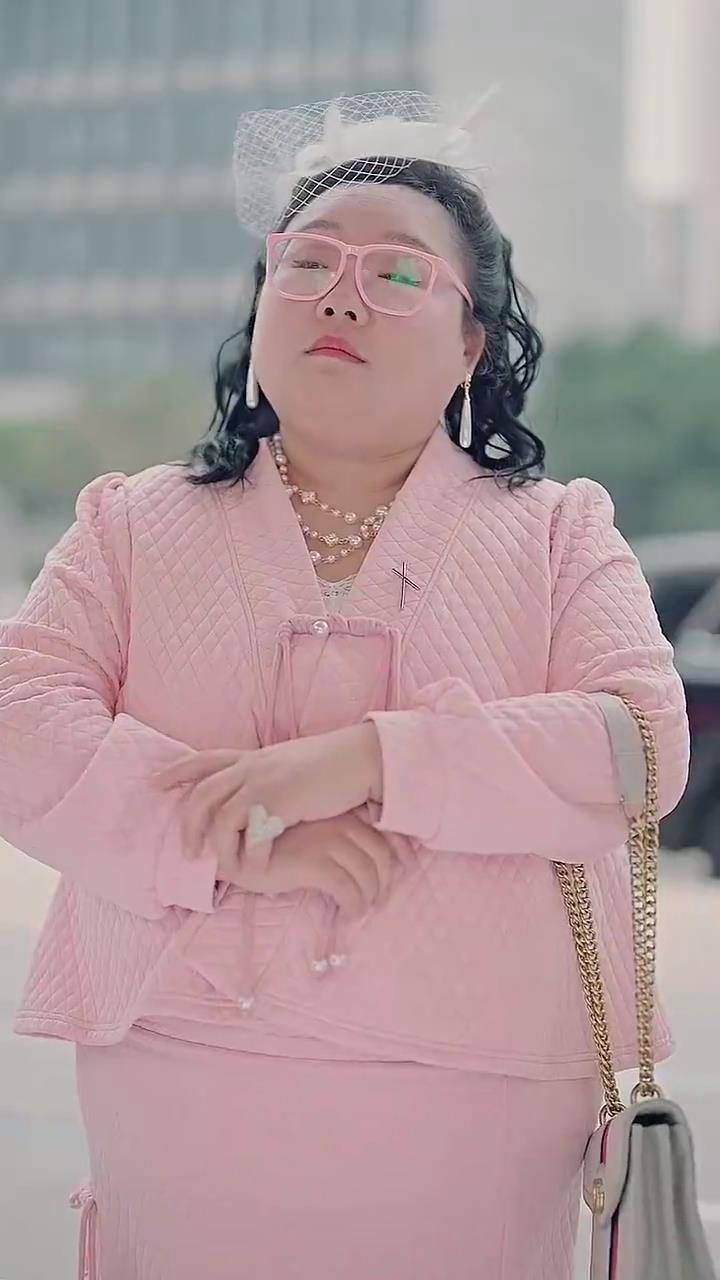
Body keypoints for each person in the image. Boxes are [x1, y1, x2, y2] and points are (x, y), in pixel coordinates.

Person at [0, 92, 690, 1280]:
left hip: (480, 1079)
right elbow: (18, 719)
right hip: (181, 1058)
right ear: (260, 303)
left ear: (473, 342)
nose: (340, 293)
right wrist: (225, 834)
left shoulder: (559, 532)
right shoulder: (130, 523)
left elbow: (641, 740)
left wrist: (370, 758)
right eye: (307, 261)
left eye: (398, 272)